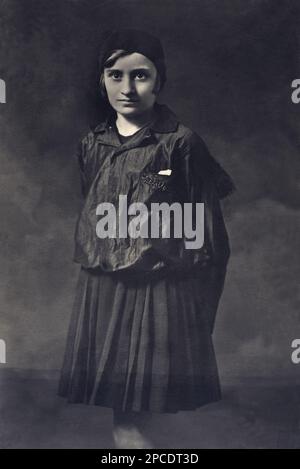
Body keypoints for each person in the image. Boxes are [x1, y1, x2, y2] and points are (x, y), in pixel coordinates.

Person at [57, 28, 236, 449]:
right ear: (102, 81)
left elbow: (208, 235)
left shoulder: (182, 144)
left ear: (160, 80)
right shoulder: (91, 144)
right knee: (124, 414)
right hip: (104, 286)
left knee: (145, 410)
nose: (128, 88)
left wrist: (196, 310)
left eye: (141, 75)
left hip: (161, 288)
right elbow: (98, 210)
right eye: (115, 75)